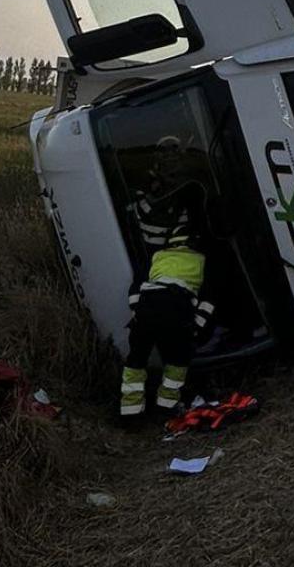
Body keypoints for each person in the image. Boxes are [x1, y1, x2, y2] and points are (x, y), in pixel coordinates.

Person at [119, 166, 215, 420]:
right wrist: (196, 328)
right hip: (177, 309)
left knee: (136, 361)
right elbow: (208, 301)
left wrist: (138, 314)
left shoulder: (157, 257)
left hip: (149, 307)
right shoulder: (202, 262)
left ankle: (129, 413)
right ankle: (166, 409)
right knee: (177, 363)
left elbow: (136, 288)